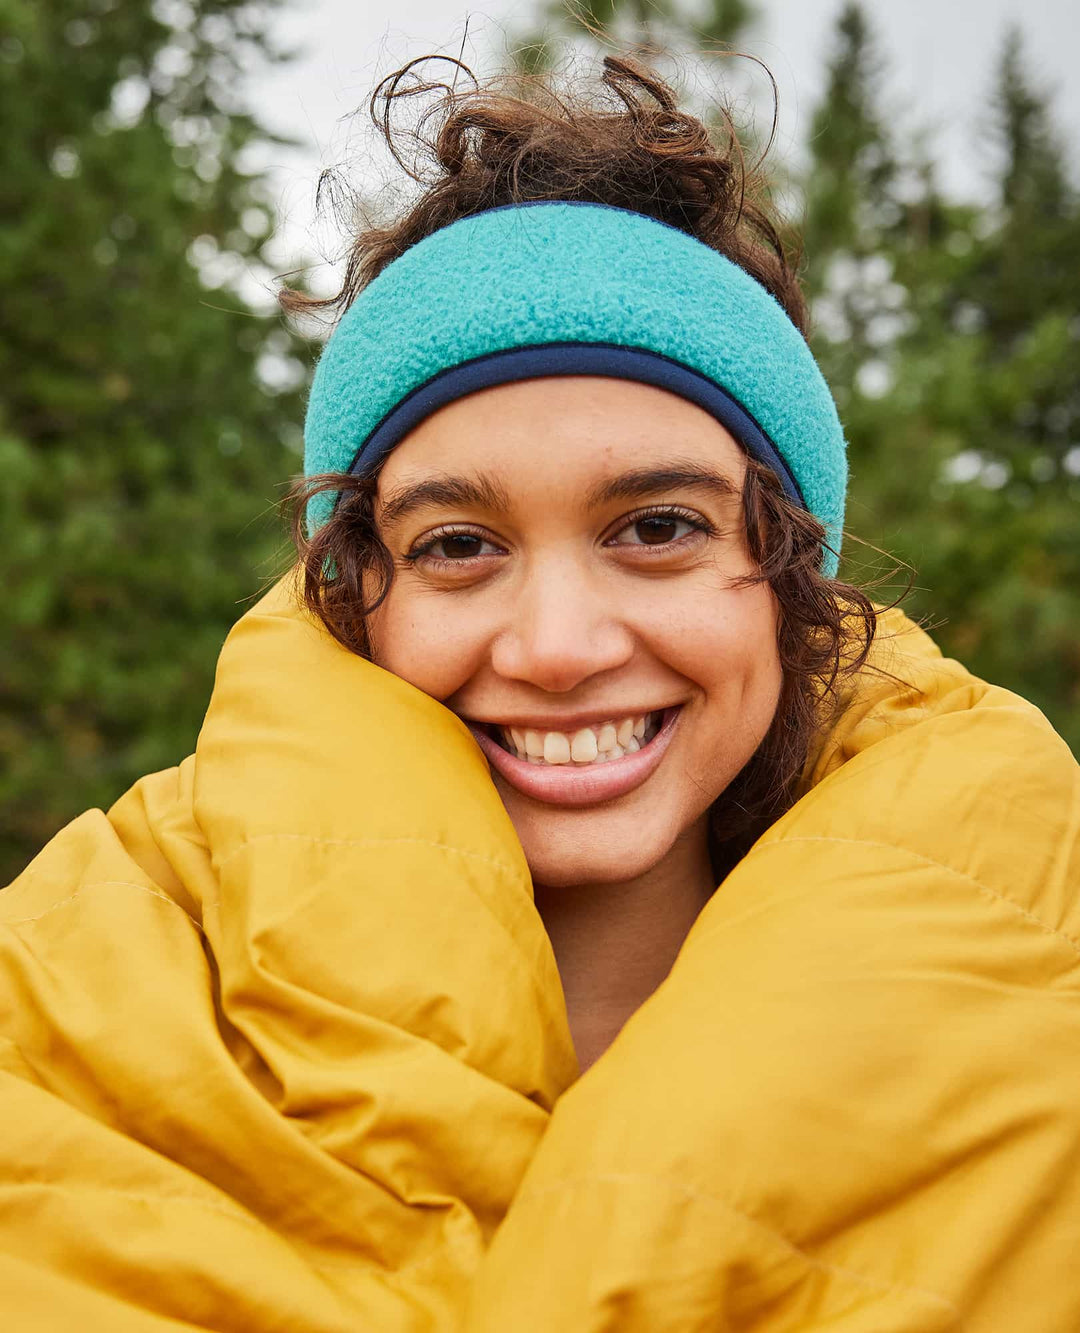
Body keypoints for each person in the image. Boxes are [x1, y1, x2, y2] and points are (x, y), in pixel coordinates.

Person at [2, 54, 1078, 1332]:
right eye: (459, 545)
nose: (558, 647)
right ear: (356, 592)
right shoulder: (65, 991)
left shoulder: (1039, 1018)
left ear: (790, 577)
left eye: (658, 525)